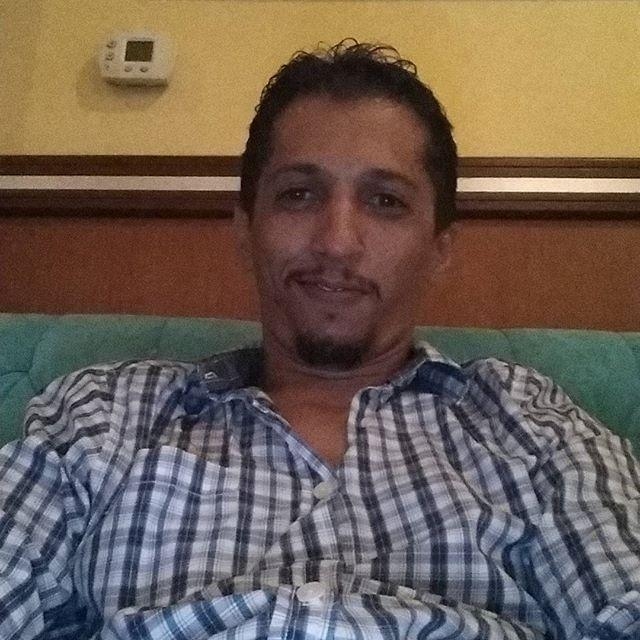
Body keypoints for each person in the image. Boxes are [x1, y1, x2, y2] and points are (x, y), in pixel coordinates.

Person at [0, 40, 638, 640]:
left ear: (439, 249)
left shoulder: (532, 423)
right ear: (246, 231)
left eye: (385, 202)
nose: (336, 243)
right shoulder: (99, 416)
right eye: (299, 194)